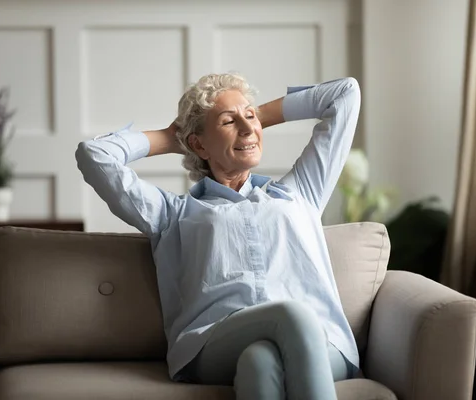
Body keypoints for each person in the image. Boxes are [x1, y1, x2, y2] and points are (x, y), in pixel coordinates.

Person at [76, 73, 361, 400]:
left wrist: (257, 118)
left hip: (321, 344)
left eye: (249, 116)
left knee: (259, 360)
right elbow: (95, 154)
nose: (247, 127)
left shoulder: (300, 193)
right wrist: (172, 137)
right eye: (228, 121)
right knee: (291, 314)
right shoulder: (173, 214)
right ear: (199, 144)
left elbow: (345, 94)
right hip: (213, 342)